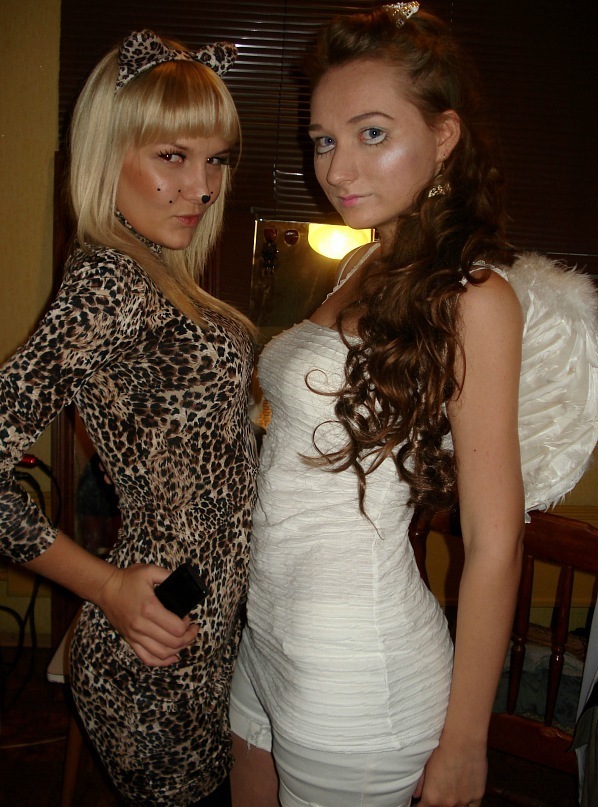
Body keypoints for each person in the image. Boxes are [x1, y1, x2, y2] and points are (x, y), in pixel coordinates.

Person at [229, 4, 526, 806]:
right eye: (324, 140)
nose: (338, 168)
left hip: (358, 676)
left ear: (444, 135)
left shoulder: (475, 299)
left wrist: (466, 742)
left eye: (371, 133)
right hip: (268, 641)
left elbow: (495, 542)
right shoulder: (359, 264)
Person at [0, 29, 258, 806]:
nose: (201, 187)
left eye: (215, 159)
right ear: (106, 153)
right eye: (172, 156)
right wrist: (107, 587)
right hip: (153, 651)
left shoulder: (158, 274)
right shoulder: (109, 280)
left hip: (201, 636)